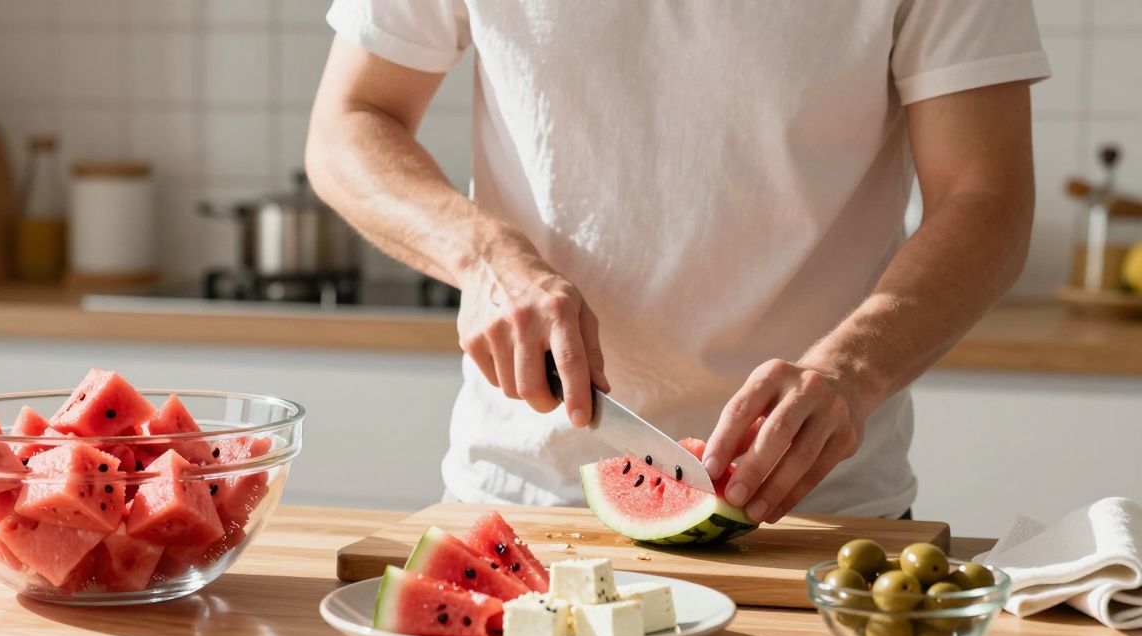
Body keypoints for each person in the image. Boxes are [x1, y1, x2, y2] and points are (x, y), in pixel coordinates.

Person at [306, 1, 1049, 524]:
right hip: (525, 493)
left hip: (820, 509)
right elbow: (349, 121)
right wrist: (483, 257)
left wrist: (854, 370)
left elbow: (986, 197)